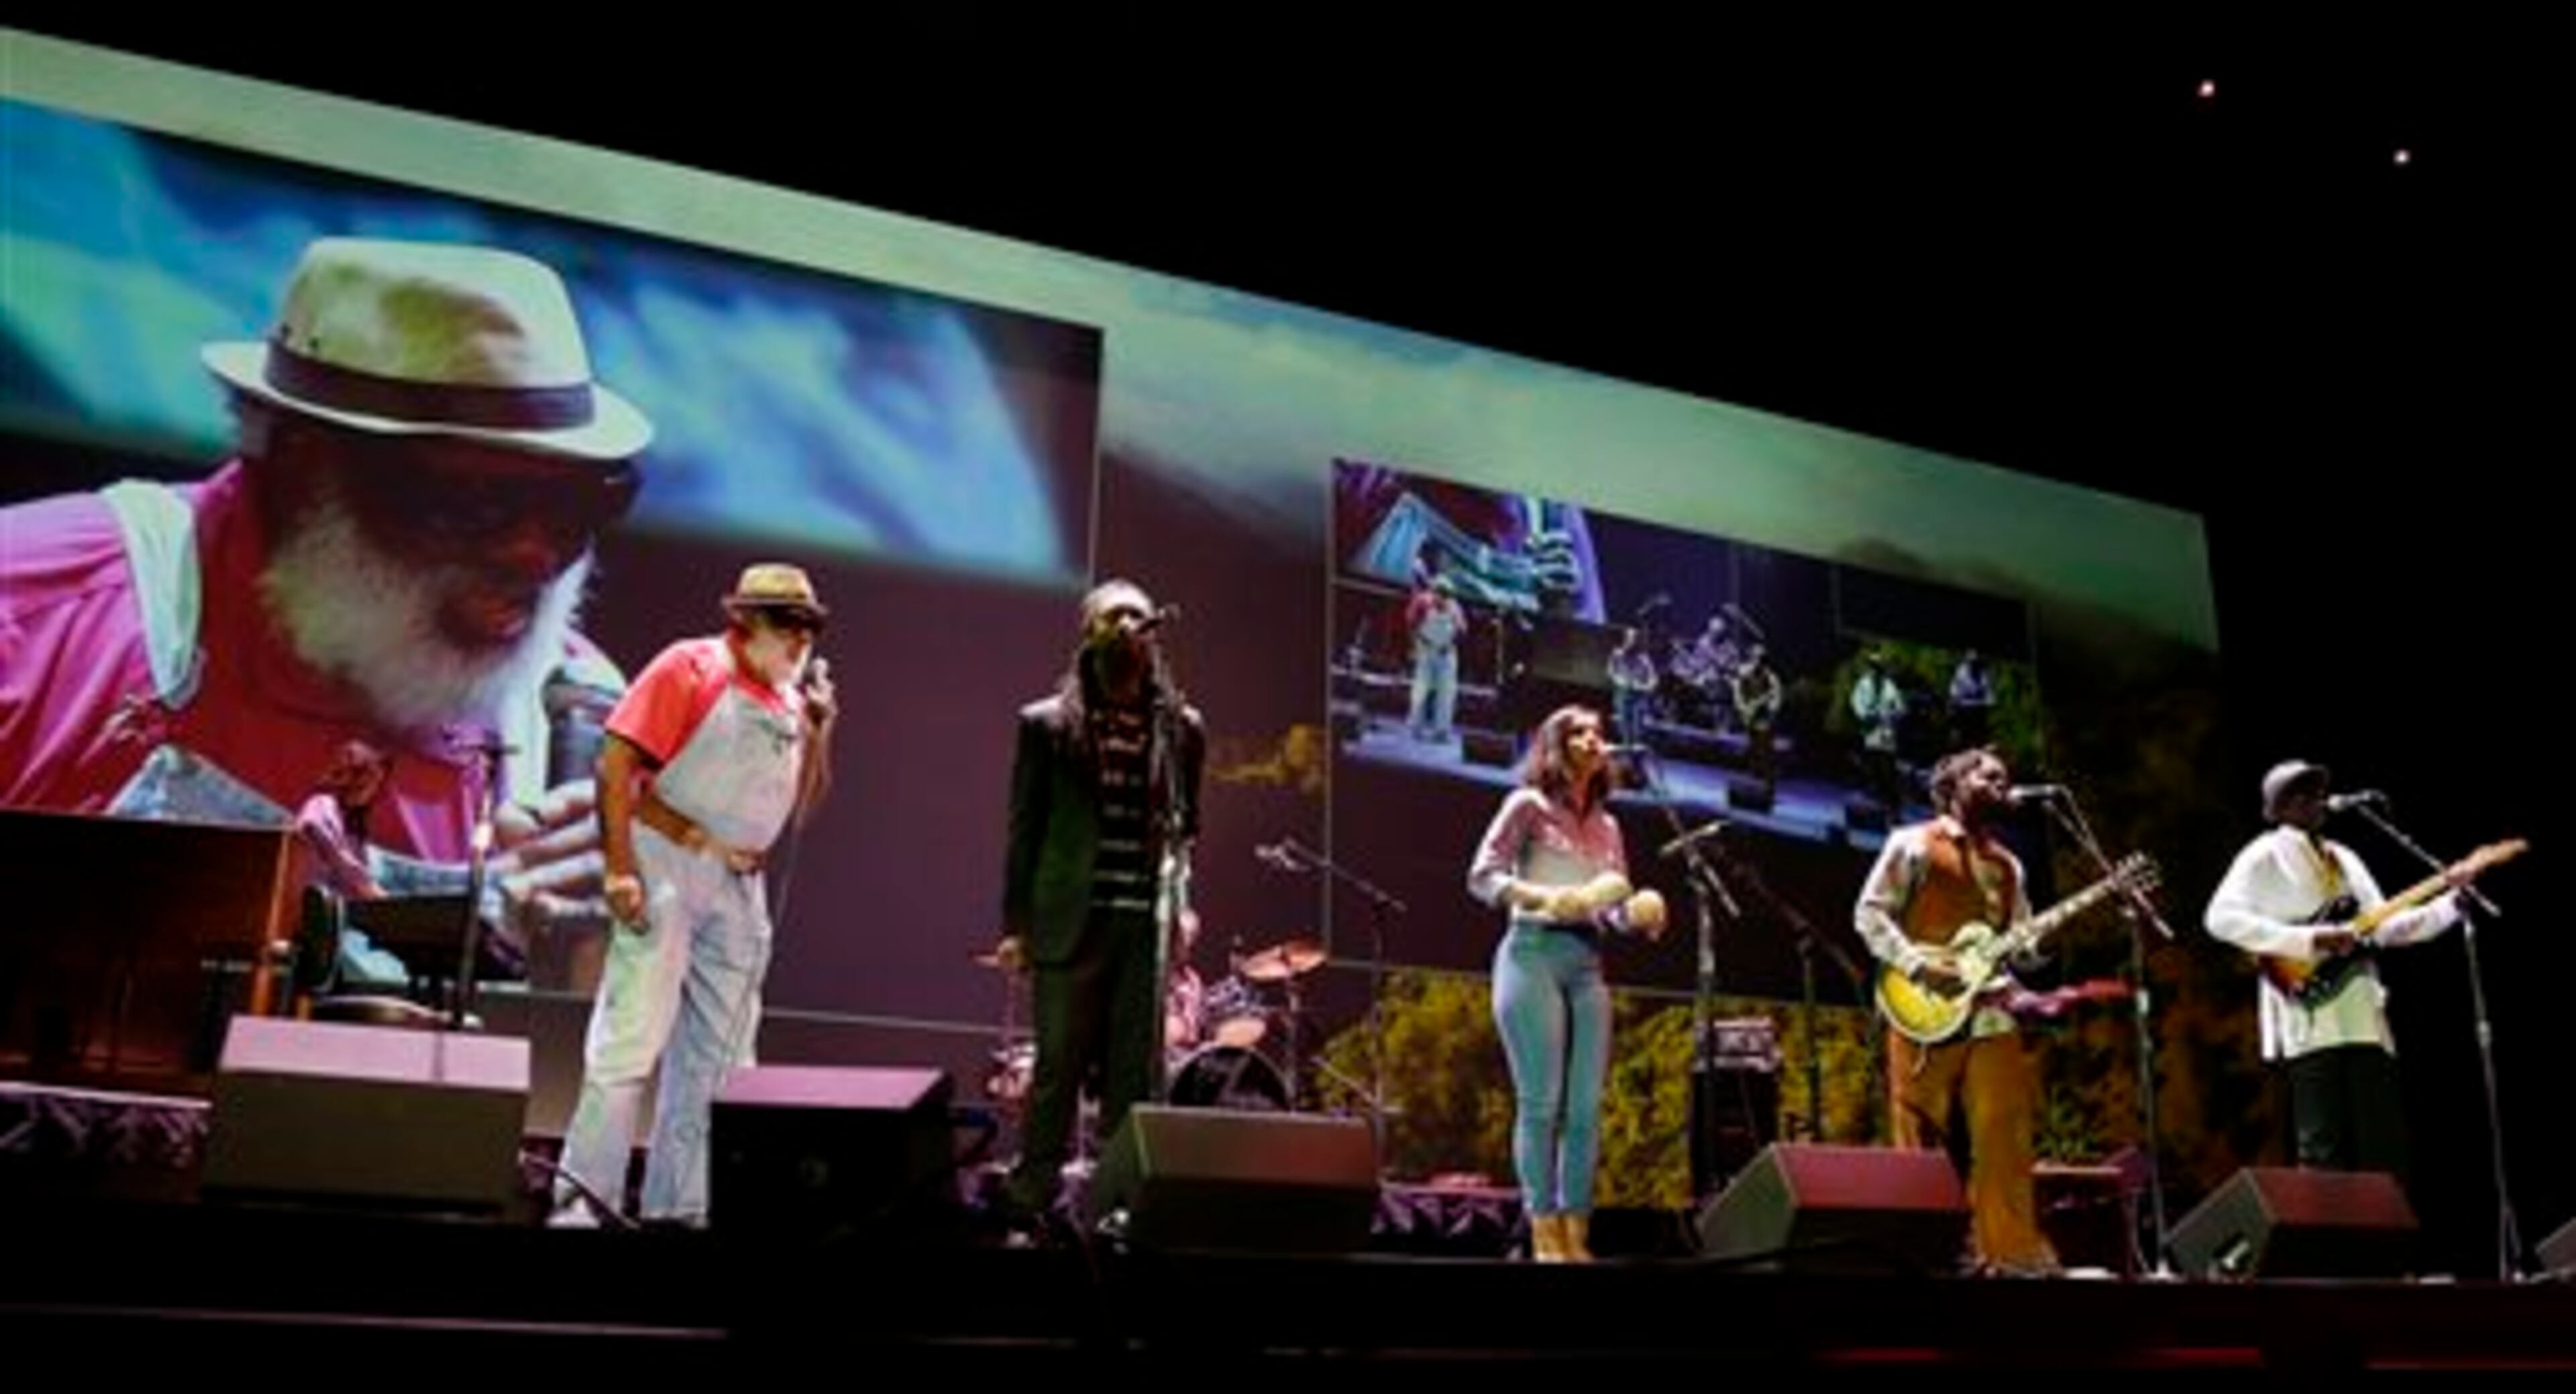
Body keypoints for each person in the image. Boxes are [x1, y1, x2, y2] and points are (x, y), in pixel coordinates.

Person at [1, 236, 645, 981]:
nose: (536, 556)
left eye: (572, 506)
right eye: (477, 502)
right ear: (307, 467)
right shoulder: (36, 614)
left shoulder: (584, 717)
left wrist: (635, 946)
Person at [551, 564, 838, 1228]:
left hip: (741, 882)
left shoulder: (790, 699)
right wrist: (620, 867)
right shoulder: (692, 665)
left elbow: (801, 800)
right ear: (746, 621)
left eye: (808, 628)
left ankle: (683, 1204)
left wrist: (821, 726)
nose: (800, 641)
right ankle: (581, 1200)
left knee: (723, 1055)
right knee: (633, 1032)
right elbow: (615, 760)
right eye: (787, 625)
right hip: (669, 860)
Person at [994, 578, 1206, 1232]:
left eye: (1140, 616)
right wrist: (1015, 925)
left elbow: (1184, 828)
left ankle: (1118, 1204)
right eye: (1115, 615)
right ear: (1090, 631)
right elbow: (1023, 831)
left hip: (1141, 925)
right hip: (1067, 921)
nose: (1129, 625)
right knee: (1056, 1066)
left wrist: (1182, 902)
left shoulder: (1181, 728)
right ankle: (1032, 1198)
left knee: (1131, 1074)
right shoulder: (1046, 724)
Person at [2203, 760, 2473, 1197]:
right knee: (2322, 1143)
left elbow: (2385, 928)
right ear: (2280, 808)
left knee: (2383, 1144)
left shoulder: (2344, 858)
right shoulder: (2262, 854)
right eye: (2302, 794)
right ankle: (2329, 1257)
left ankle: (2389, 1259)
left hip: (2363, 1011)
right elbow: (2219, 919)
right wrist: (2309, 939)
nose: (2316, 801)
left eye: (2317, 792)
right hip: (2310, 1014)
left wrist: (2449, 904)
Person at [1468, 704, 1669, 1263]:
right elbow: (1481, 875)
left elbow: (1609, 910)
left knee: (1584, 1107)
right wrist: (1540, 897)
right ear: (1555, 745)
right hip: (1531, 953)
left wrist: (1639, 918)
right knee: (1541, 1104)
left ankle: (1577, 1229)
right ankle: (1543, 1229)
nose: (1592, 740)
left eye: (1598, 733)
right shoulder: (1527, 806)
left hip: (1586, 963)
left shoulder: (1609, 825)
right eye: (1578, 732)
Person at [1852, 746, 2058, 1276]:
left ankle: (2010, 1253)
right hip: (1918, 1006)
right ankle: (1924, 1253)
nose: (2000, 783)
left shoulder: (2008, 865)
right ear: (1954, 784)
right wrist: (1917, 966)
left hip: (1990, 1006)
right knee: (1919, 1129)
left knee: (2003, 1129)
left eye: (2005, 778)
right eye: (1988, 775)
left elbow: (2021, 947)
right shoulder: (1912, 844)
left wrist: (2042, 944)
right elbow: (1870, 915)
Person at [1403, 572, 1468, 745]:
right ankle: (1416, 726)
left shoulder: (1454, 607)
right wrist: (1415, 645)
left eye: (1447, 595)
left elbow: (1462, 630)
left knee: (1447, 692)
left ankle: (1442, 730)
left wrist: (1450, 644)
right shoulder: (1423, 602)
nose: (1444, 599)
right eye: (1441, 594)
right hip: (1426, 650)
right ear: (1434, 592)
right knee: (1421, 689)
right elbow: (1410, 622)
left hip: (1446, 654)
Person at [1849, 652, 1908, 812]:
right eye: (1873, 667)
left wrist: (1892, 716)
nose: (1875, 670)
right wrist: (1866, 716)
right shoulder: (1863, 684)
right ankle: (1878, 796)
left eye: (1878, 667)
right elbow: (1856, 703)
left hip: (1887, 732)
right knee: (1873, 765)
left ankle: (1892, 800)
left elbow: (1901, 707)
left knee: (1888, 766)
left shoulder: (1890, 685)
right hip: (1871, 731)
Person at [1730, 641, 1785, 800]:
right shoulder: (1744, 673)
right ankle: (1754, 784)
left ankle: (1768, 788)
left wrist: (1770, 712)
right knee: (1753, 749)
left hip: (1765, 718)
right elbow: (1737, 692)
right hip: (1750, 717)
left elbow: (1777, 699)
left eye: (1761, 658)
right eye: (1755, 657)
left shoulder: (1771, 678)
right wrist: (1744, 709)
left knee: (1766, 752)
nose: (1757, 661)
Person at [1605, 627, 1659, 751]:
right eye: (1631, 638)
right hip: (1623, 694)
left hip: (1638, 695)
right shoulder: (1617, 654)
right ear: (1626, 639)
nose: (1633, 642)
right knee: (1625, 726)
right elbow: (1611, 672)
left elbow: (1653, 678)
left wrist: (1647, 686)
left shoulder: (1644, 659)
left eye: (1636, 639)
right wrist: (1621, 681)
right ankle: (1627, 749)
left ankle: (1635, 750)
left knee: (1637, 727)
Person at [1947, 649, 1997, 751]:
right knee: (1963, 721)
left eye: (1977, 663)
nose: (1975, 666)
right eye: (1973, 663)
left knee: (1981, 718)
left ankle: (1982, 743)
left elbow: (1989, 692)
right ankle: (1962, 744)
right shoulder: (1961, 673)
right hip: (1964, 709)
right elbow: (1954, 693)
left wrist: (1989, 700)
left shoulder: (1982, 673)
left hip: (1977, 708)